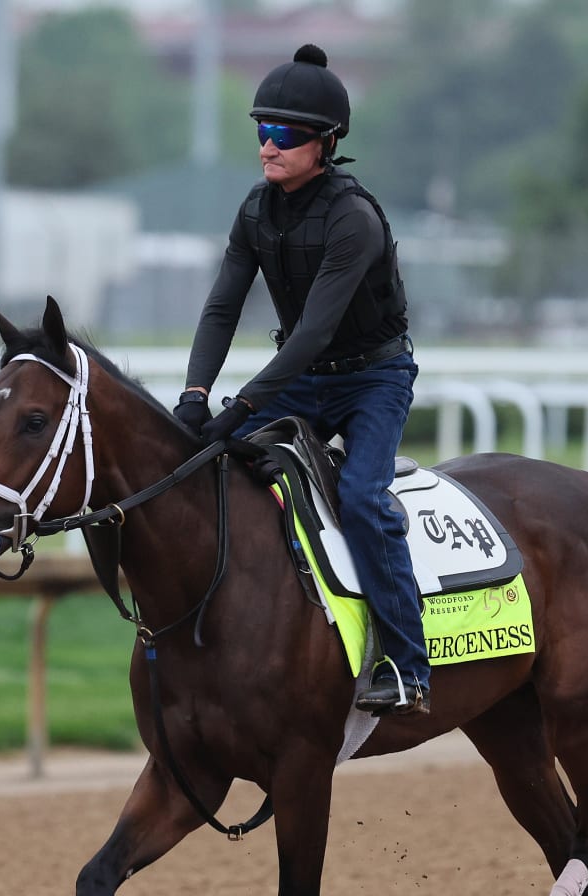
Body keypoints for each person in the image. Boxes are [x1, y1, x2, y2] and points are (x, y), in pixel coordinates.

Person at [175, 43, 428, 716]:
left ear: (327, 142)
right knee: (207, 467)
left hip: (374, 380)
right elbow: (223, 307)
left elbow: (315, 329)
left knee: (364, 499)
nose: (268, 146)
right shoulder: (256, 211)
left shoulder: (354, 218)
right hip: (303, 378)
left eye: (284, 135)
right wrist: (196, 396)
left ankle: (408, 665)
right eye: (263, 130)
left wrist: (243, 405)